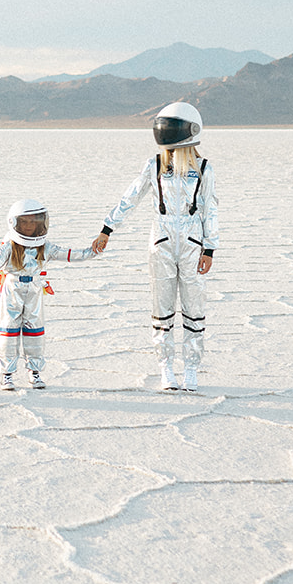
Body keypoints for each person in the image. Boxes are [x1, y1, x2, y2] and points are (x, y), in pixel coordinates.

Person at [91, 102, 218, 391]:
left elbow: (210, 210)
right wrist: (107, 228)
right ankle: (165, 368)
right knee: (161, 308)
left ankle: (191, 369)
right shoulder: (155, 165)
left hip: (191, 243)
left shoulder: (203, 169)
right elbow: (130, 198)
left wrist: (209, 248)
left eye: (173, 129)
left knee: (193, 307)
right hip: (160, 243)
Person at [0, 198, 98, 391]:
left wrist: (93, 251)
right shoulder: (9, 246)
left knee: (35, 332)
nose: (29, 226)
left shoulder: (45, 247)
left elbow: (71, 254)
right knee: (8, 331)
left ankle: (34, 372)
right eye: (25, 222)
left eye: (34, 222)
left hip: (35, 289)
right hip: (12, 289)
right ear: (14, 223)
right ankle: (7, 374)